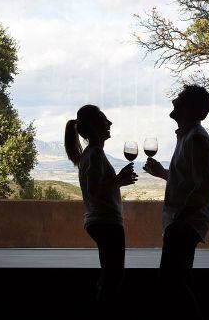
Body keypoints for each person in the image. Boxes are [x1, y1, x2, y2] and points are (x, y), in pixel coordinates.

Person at [143, 85, 209, 319]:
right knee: (178, 280)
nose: (174, 100)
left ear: (188, 108)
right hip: (182, 221)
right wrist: (163, 173)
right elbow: (188, 180)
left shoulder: (195, 139)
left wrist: (179, 221)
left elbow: (203, 189)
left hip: (185, 222)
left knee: (171, 282)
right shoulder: (188, 136)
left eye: (180, 98)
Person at [65, 104, 138, 308]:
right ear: (96, 126)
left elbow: (98, 188)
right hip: (106, 222)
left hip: (100, 221)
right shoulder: (95, 154)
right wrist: (118, 179)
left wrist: (119, 181)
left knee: (109, 276)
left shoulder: (91, 154)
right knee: (113, 279)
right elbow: (95, 190)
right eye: (105, 120)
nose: (110, 123)